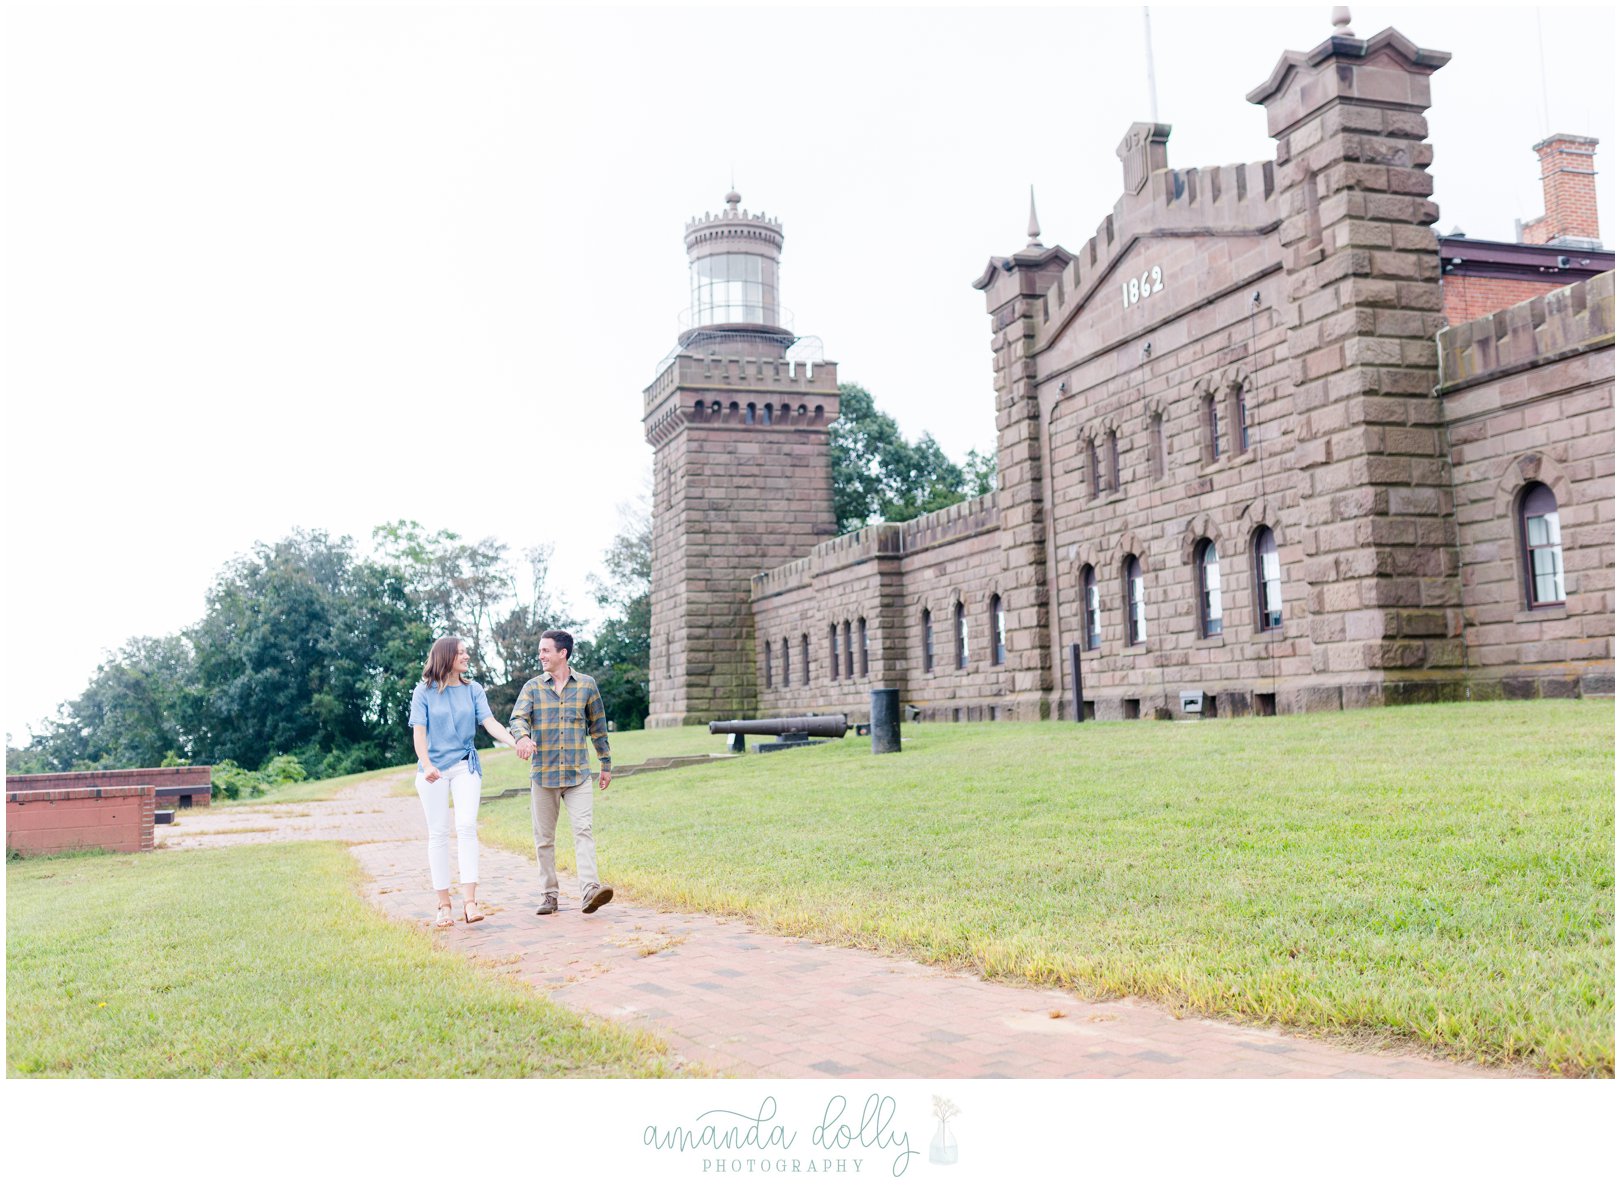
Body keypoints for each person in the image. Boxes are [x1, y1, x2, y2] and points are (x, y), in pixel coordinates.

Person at [409, 635, 524, 928]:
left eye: (466, 652)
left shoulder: (473, 690)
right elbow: (419, 733)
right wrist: (427, 765)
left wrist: (516, 743)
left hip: (465, 766)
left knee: (467, 826)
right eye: (460, 652)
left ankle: (470, 902)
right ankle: (443, 905)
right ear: (445, 657)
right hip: (432, 770)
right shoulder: (423, 692)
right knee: (438, 833)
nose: (466, 656)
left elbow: (490, 723)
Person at [508, 629, 614, 916]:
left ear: (562, 653)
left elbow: (598, 728)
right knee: (544, 839)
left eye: (545, 651)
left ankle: (590, 890)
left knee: (583, 830)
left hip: (578, 774)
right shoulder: (532, 687)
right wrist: (521, 737)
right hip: (543, 776)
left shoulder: (587, 686)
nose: (540, 655)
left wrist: (605, 764)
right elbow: (517, 717)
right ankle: (549, 895)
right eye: (540, 651)